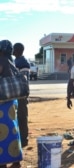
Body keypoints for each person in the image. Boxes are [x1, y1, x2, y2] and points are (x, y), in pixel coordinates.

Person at [0, 40, 22, 168]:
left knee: (2, 132)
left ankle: (2, 162)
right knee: (13, 129)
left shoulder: (1, 60)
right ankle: (16, 160)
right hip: (12, 101)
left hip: (2, 103)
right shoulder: (11, 61)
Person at [13, 42, 30, 148]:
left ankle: (23, 140)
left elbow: (24, 80)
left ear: (18, 50)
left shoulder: (23, 62)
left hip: (21, 95)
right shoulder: (17, 61)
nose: (12, 51)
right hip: (17, 94)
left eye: (14, 49)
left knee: (22, 117)